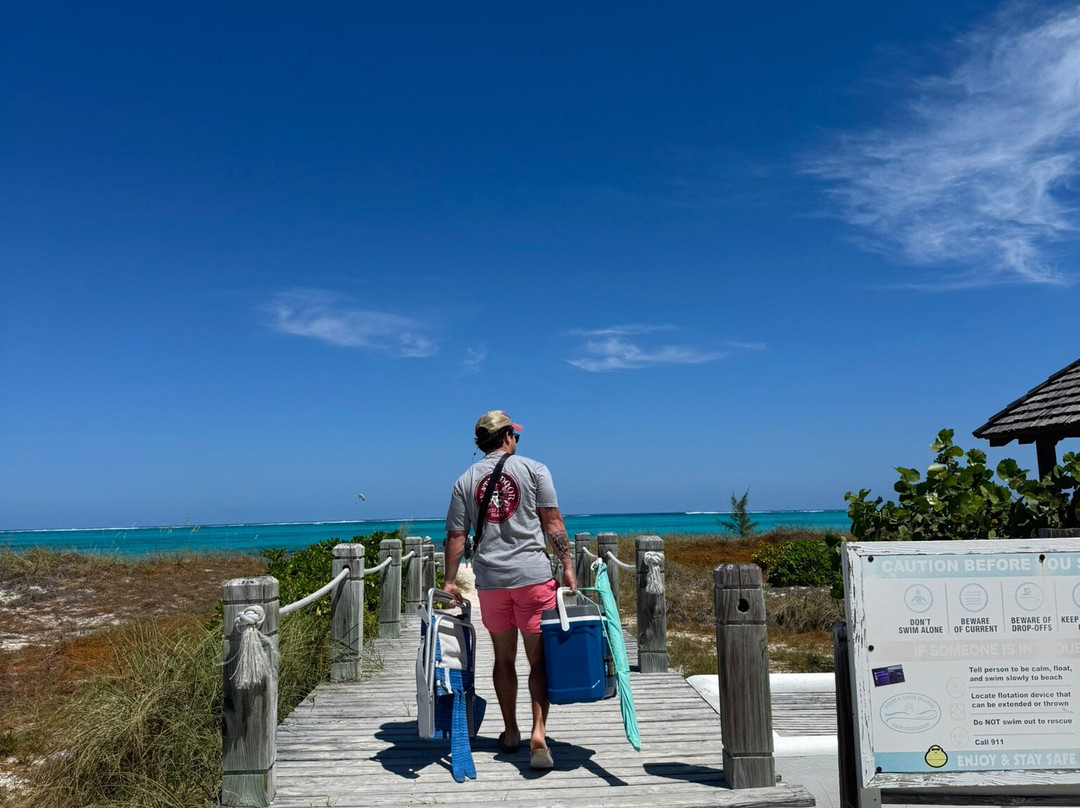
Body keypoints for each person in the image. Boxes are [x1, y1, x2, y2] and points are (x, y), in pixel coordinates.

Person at [442, 410, 577, 771]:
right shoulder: (536, 470)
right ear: (506, 437)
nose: (517, 441)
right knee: (538, 660)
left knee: (503, 660)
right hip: (533, 579)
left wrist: (450, 580)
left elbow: (456, 536)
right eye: (515, 435)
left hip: (491, 583)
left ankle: (511, 730)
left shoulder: (464, 481)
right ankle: (538, 733)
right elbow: (553, 524)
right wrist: (567, 566)